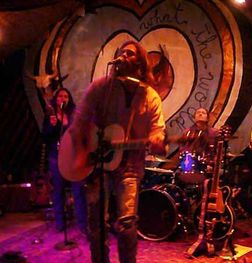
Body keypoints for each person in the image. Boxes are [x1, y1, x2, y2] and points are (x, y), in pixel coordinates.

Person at [68, 40, 166, 263]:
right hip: (96, 165)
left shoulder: (150, 96)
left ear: (140, 63)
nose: (124, 56)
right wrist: (84, 152)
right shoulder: (101, 87)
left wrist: (158, 139)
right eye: (121, 53)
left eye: (130, 54)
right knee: (96, 225)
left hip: (130, 164)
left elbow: (158, 130)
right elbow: (78, 124)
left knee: (127, 223)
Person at [42, 87, 87, 233]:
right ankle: (60, 224)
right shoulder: (50, 116)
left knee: (78, 189)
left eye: (66, 96)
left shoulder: (73, 116)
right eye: (60, 96)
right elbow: (44, 137)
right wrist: (52, 126)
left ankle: (82, 224)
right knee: (58, 190)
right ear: (55, 99)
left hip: (72, 157)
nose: (63, 99)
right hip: (56, 157)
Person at [177, 108, 219, 185]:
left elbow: (217, 151)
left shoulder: (214, 133)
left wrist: (212, 163)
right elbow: (182, 149)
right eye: (198, 113)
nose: (200, 114)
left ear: (207, 118)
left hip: (208, 164)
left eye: (203, 113)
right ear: (194, 117)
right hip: (189, 164)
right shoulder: (188, 132)